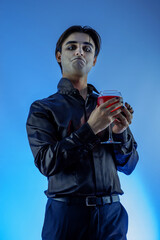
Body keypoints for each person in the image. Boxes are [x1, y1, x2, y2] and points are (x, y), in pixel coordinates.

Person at [26, 25, 139, 240]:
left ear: (94, 60)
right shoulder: (42, 108)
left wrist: (120, 133)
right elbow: (46, 163)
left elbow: (130, 166)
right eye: (72, 47)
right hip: (66, 218)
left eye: (87, 48)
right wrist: (91, 129)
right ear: (59, 56)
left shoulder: (107, 106)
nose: (80, 51)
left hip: (112, 219)